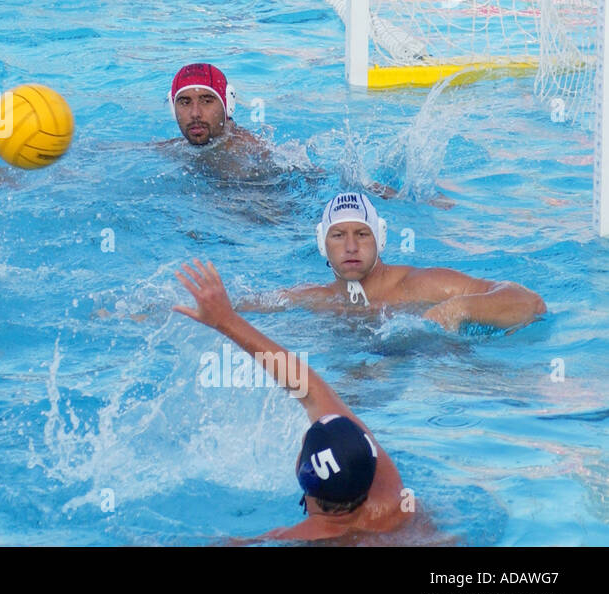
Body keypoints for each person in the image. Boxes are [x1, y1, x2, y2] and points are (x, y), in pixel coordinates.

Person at [174, 259, 411, 540]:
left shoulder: (283, 539)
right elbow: (311, 390)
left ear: (302, 470)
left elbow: (309, 390)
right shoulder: (392, 499)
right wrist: (227, 320)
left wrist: (226, 321)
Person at [246, 192, 545, 330]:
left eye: (362, 234)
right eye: (338, 236)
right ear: (322, 244)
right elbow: (242, 307)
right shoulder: (315, 299)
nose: (351, 247)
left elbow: (530, 303)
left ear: (381, 239)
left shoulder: (423, 285)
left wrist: (457, 309)